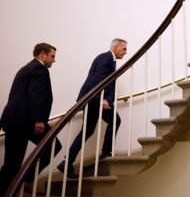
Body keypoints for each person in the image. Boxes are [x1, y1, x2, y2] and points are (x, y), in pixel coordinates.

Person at [57, 38, 127, 178]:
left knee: (87, 131)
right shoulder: (106, 58)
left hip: (93, 100)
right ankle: (106, 152)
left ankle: (66, 163)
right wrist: (103, 99)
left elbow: (105, 81)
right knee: (115, 120)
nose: (126, 52)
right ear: (115, 47)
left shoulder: (109, 60)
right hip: (95, 100)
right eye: (124, 49)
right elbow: (99, 80)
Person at [0, 43, 62, 196]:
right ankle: (26, 180)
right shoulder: (39, 69)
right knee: (53, 145)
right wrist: (39, 120)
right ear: (42, 54)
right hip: (24, 122)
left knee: (11, 164)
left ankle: (21, 183)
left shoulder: (27, 68)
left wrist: (41, 119)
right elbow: (36, 95)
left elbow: (25, 97)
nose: (54, 60)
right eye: (52, 56)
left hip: (16, 120)